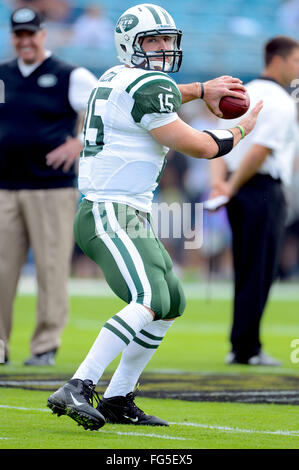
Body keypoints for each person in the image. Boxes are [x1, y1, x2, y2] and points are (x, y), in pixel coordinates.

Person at [47, 3, 262, 430]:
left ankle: (119, 397)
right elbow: (202, 146)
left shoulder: (116, 76)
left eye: (168, 40)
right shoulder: (145, 84)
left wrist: (200, 89)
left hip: (128, 210)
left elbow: (155, 94)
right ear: (130, 44)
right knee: (147, 298)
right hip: (109, 209)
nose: (164, 48)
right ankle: (78, 384)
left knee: (171, 303)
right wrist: (242, 128)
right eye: (154, 40)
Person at [0, 7, 98, 366]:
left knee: (51, 267)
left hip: (51, 188)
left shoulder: (69, 75)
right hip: (5, 187)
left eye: (31, 33)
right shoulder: (2, 75)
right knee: (1, 269)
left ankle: (45, 345)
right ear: (13, 36)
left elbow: (104, 113)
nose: (25, 40)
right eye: (19, 34)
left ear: (44, 34)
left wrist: (79, 142)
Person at [208, 36, 299, 366]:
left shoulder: (240, 94)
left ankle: (242, 344)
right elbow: (261, 151)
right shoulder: (281, 100)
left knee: (247, 267)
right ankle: (247, 348)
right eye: (296, 61)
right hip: (259, 187)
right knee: (259, 269)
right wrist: (230, 186)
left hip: (237, 185)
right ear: (278, 60)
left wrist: (220, 183)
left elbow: (218, 143)